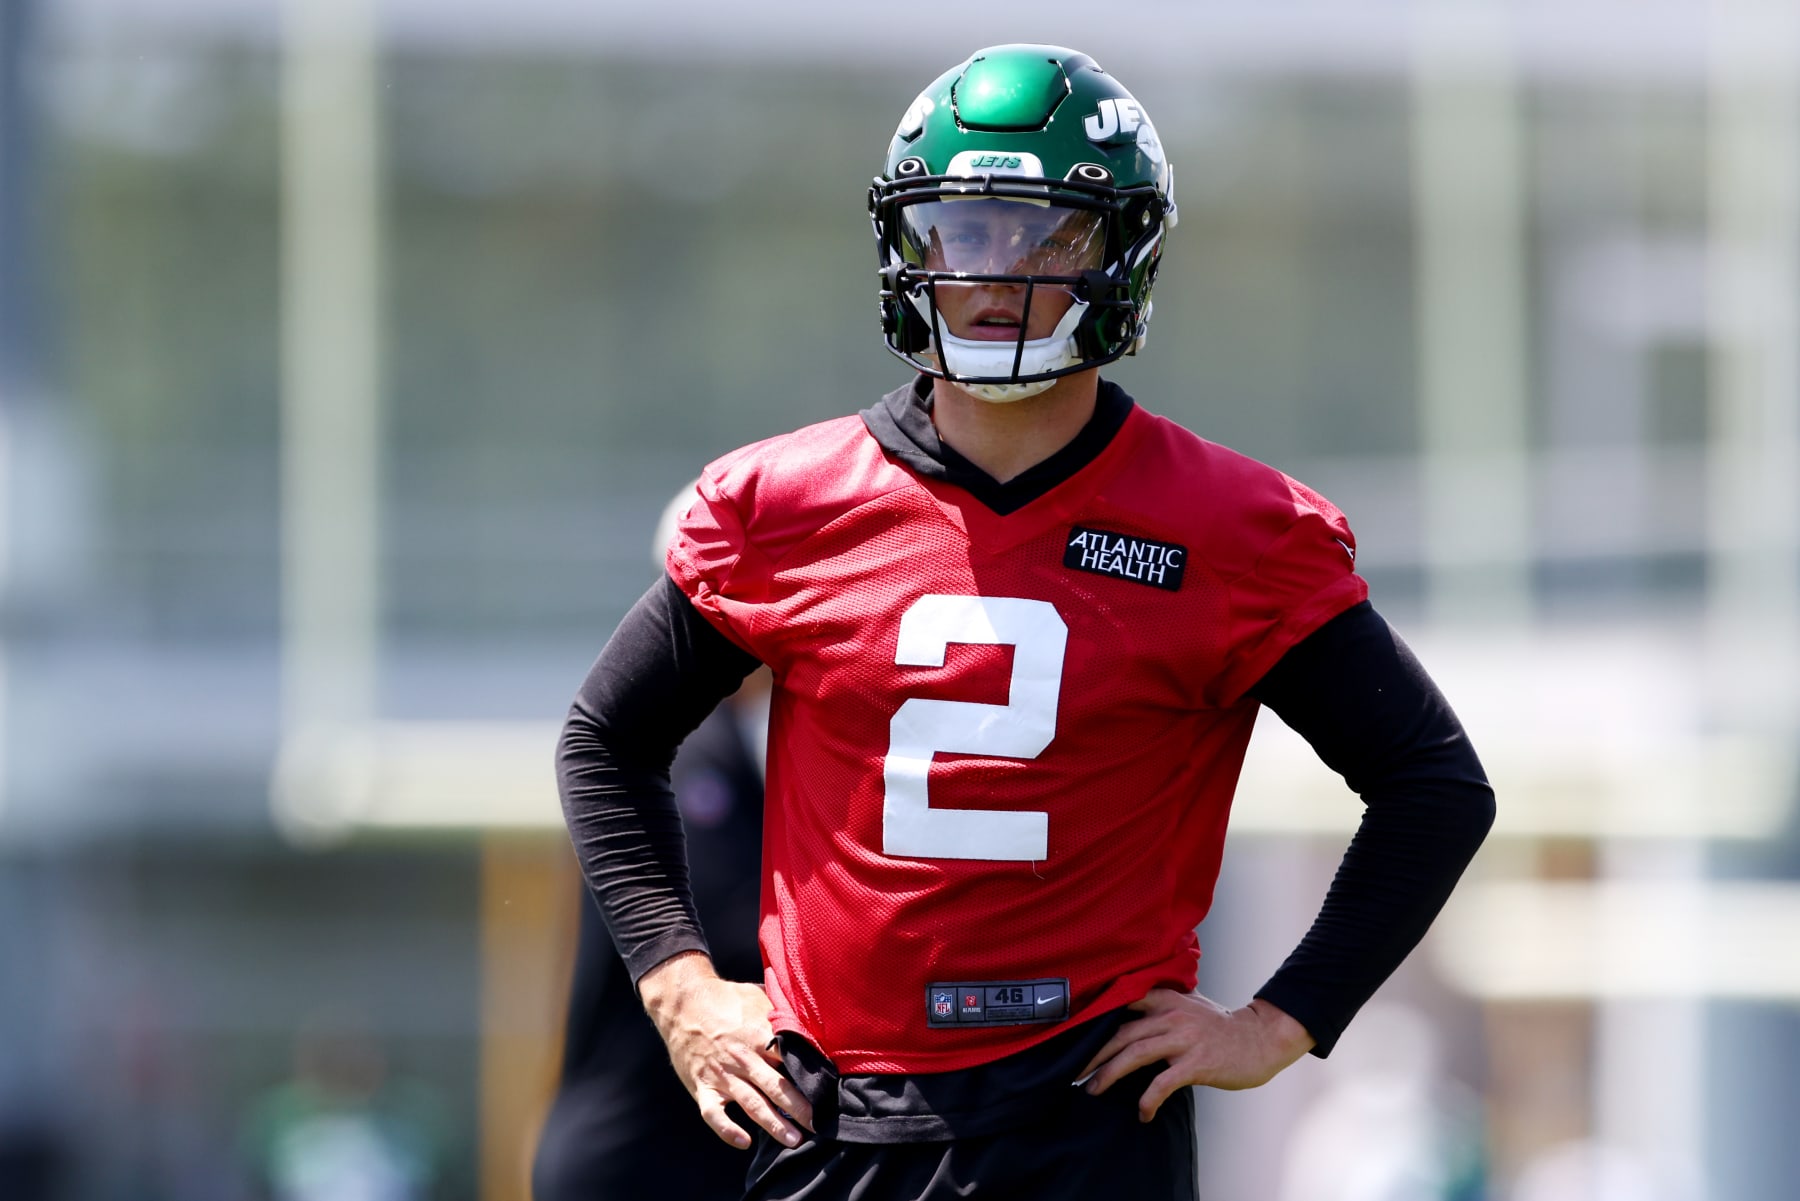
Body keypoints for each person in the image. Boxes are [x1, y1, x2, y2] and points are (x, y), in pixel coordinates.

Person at [557, 44, 1495, 1201]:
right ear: (911, 244)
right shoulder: (785, 505)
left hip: (1084, 1118)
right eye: (962, 230)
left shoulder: (1232, 527)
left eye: (1046, 235)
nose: (994, 273)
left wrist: (1280, 1020)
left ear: (1123, 252)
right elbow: (605, 737)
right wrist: (679, 981)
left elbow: (1434, 783)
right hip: (832, 1113)